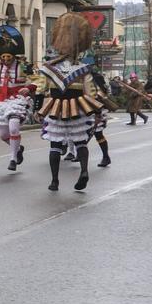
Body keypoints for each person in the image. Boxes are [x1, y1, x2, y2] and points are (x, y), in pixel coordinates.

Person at [35, 13, 100, 192]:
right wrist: (96, 112)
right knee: (80, 141)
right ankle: (84, 171)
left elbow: (40, 89)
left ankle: (55, 180)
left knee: (55, 144)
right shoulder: (83, 69)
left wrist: (37, 110)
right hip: (77, 107)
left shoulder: (49, 68)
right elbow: (91, 92)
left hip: (55, 107)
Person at [0, 25, 35, 171]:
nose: (6, 59)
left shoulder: (23, 66)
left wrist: (29, 87)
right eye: (3, 56)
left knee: (13, 128)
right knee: (3, 135)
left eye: (8, 56)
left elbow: (38, 79)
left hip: (17, 99)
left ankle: (12, 159)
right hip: (1, 100)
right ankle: (18, 149)